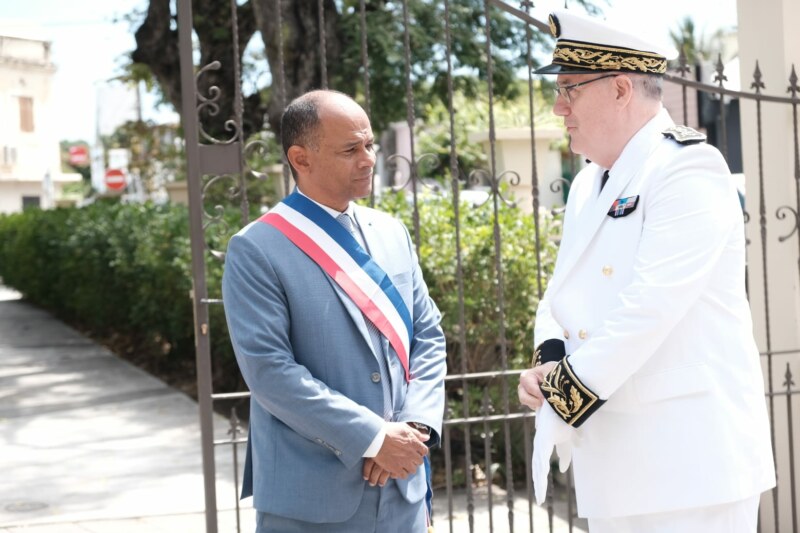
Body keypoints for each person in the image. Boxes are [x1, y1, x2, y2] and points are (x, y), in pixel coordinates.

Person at [517, 9, 776, 533]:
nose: (558, 106)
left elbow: (649, 308)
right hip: (614, 464)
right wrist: (549, 361)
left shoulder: (687, 167)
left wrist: (561, 394)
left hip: (689, 466)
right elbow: (561, 293)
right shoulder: (587, 184)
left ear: (619, 89)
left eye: (569, 90)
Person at [222, 89, 446, 532]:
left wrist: (414, 428)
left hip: (403, 488)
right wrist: (373, 437)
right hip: (311, 500)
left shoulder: (391, 233)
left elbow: (427, 336)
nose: (368, 160)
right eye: (350, 150)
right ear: (300, 158)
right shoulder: (257, 248)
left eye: (369, 145)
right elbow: (269, 371)